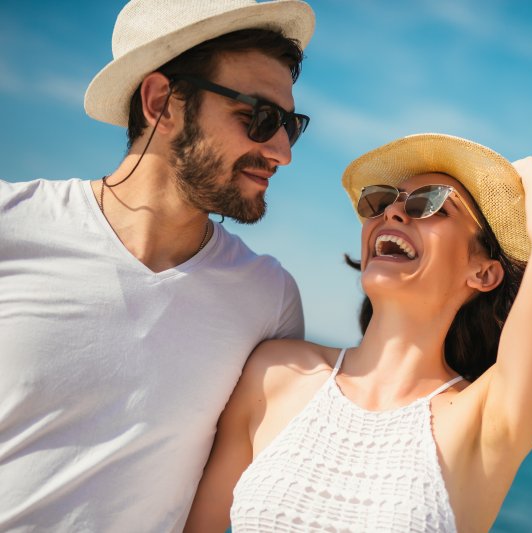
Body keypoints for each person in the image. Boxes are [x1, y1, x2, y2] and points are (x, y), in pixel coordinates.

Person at [0, 1, 315, 531]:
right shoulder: (11, 226)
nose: (282, 151)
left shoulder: (270, 300)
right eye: (260, 119)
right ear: (161, 103)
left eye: (291, 125)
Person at [185, 133, 532, 532]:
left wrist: (518, 169)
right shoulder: (275, 371)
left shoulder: (484, 420)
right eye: (380, 201)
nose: (392, 213)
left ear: (484, 272)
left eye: (431, 204)